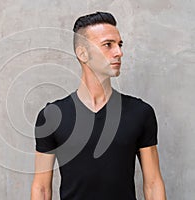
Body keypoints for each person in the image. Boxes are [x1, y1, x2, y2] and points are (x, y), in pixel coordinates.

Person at [31, 12, 166, 200]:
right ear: (82, 53)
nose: (119, 52)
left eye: (119, 45)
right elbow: (42, 188)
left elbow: (153, 184)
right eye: (108, 45)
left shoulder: (140, 113)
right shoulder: (52, 116)